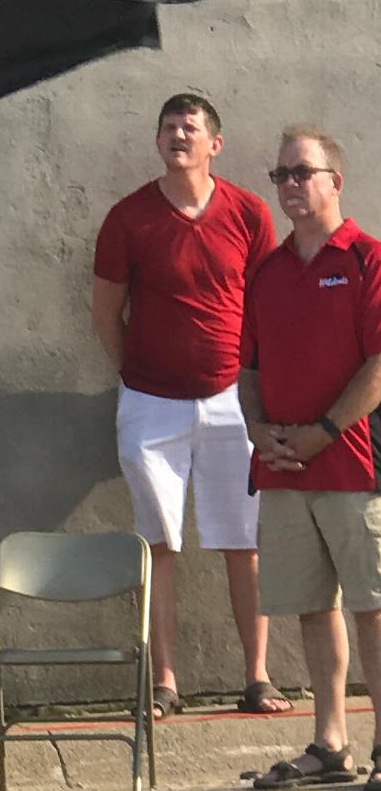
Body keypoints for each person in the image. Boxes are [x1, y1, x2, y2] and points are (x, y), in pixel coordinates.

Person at [92, 92, 290, 718]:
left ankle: (257, 678)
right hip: (151, 405)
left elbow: (268, 304)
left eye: (191, 127)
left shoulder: (250, 213)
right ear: (158, 141)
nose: (179, 136)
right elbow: (105, 310)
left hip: (234, 401)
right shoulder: (128, 218)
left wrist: (260, 387)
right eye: (169, 127)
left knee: (243, 541)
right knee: (160, 544)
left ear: (215, 144)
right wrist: (135, 372)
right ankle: (165, 683)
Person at [241, 126, 381, 790]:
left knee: (372, 604)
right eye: (281, 175)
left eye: (303, 172)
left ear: (334, 181)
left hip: (354, 462)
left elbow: (380, 364)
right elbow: (249, 368)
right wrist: (258, 428)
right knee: (310, 605)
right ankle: (330, 744)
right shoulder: (266, 271)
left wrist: (325, 429)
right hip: (283, 469)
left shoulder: (367, 258)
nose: (291, 185)